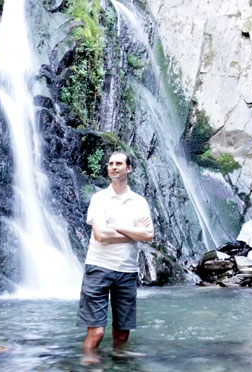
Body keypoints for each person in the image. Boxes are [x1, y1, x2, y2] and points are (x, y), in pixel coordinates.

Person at [76, 150, 154, 359]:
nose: (113, 167)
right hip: (98, 267)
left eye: (118, 163)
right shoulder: (99, 199)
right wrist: (132, 233)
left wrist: (118, 227)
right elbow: (101, 235)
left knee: (122, 334)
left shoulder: (139, 202)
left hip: (127, 271)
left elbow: (149, 234)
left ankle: (117, 365)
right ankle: (90, 364)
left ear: (128, 169)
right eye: (110, 163)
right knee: (97, 332)